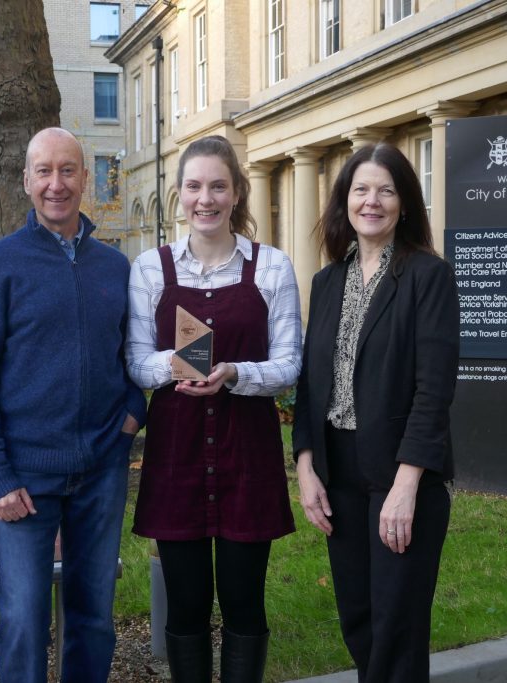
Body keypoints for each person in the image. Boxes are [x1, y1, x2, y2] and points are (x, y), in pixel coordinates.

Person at [0, 127, 147, 683]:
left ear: (86, 178)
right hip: (24, 480)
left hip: (101, 472)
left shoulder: (115, 267)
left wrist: (131, 421)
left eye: (68, 170)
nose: (56, 184)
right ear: (26, 181)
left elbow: (135, 357)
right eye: (44, 171)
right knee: (22, 617)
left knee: (93, 617)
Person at [127, 135, 301, 682]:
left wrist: (233, 374)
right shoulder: (149, 270)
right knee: (186, 606)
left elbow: (290, 365)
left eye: (218, 186)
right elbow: (135, 362)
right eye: (195, 186)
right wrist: (182, 365)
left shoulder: (271, 268)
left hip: (247, 457)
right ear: (179, 194)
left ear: (237, 192)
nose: (206, 198)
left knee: (246, 602)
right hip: (177, 457)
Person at [292, 142, 459, 683]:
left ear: (404, 203)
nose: (372, 201)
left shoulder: (427, 277)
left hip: (399, 469)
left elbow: (434, 390)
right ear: (344, 203)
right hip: (338, 470)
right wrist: (306, 467)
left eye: (386, 190)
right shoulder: (326, 282)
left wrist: (407, 485)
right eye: (361, 190)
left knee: (397, 624)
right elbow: (311, 381)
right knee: (359, 618)